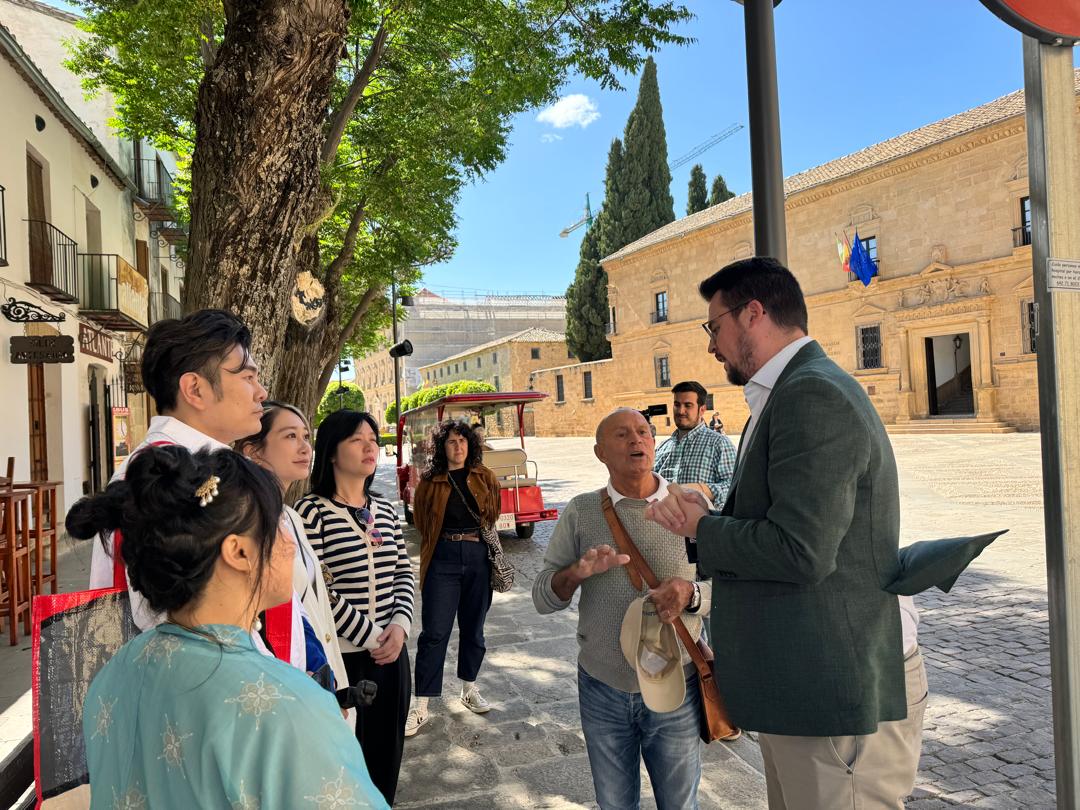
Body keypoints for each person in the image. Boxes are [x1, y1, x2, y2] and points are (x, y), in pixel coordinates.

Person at [645, 257, 996, 810]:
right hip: (804, 688)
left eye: (714, 327)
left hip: (832, 689)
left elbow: (802, 550)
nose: (712, 346)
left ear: (753, 313)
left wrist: (704, 527)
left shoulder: (813, 394)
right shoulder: (790, 390)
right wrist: (714, 510)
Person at [66, 445, 388, 809]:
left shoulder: (115, 675)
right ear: (239, 552)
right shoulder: (287, 706)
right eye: (277, 526)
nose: (290, 544)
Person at [533, 407, 710, 810]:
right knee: (614, 804)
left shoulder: (689, 506)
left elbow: (728, 587)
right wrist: (576, 573)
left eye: (644, 432)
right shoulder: (581, 511)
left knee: (680, 804)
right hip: (603, 687)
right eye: (622, 434)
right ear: (600, 452)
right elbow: (543, 597)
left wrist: (689, 593)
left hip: (676, 687)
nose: (637, 440)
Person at [89, 309, 268, 632]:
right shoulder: (163, 479)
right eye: (247, 377)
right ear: (195, 390)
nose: (261, 392)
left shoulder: (188, 467)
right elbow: (186, 625)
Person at [295, 410, 415, 806]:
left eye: (373, 440)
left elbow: (402, 572)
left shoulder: (384, 508)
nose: (370, 447)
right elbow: (318, 589)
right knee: (345, 764)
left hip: (392, 657)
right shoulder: (311, 513)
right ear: (332, 452)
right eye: (357, 440)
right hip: (345, 661)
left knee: (386, 759)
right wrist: (369, 637)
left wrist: (398, 627)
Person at [236, 401, 350, 711]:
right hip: (288, 686)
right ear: (253, 451)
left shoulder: (289, 517)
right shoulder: (247, 522)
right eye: (290, 437)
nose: (304, 448)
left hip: (322, 675)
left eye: (306, 437)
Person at [407, 420, 501, 737]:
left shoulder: (485, 477)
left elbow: (493, 514)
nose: (458, 447)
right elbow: (422, 522)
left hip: (478, 559)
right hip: (442, 559)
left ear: (470, 445)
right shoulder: (430, 483)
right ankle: (421, 707)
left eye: (462, 441)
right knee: (434, 633)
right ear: (442, 447)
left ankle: (469, 689)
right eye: (451, 442)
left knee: (474, 629)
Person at [653, 381, 737, 506]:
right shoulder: (662, 447)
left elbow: (734, 488)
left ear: (702, 409)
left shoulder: (720, 444)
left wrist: (700, 489)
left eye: (688, 405)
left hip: (702, 523)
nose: (681, 411)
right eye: (677, 404)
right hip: (661, 523)